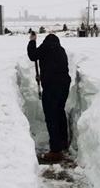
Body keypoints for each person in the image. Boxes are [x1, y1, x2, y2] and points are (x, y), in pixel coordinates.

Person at [27, 32, 71, 162]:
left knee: (51, 116)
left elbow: (33, 55)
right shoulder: (61, 50)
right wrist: (43, 76)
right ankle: (63, 142)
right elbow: (56, 67)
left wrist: (32, 41)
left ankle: (55, 151)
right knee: (60, 112)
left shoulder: (45, 47)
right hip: (64, 85)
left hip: (52, 87)